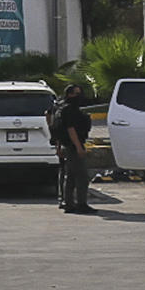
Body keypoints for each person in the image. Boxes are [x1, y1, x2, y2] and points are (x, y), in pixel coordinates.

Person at [54, 83, 95, 214]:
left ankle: (68, 203)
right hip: (73, 146)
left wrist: (58, 147)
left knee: (71, 176)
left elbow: (57, 129)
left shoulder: (61, 108)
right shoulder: (70, 110)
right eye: (76, 93)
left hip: (67, 146)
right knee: (82, 176)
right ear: (69, 94)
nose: (79, 96)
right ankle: (81, 204)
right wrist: (79, 147)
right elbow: (70, 129)